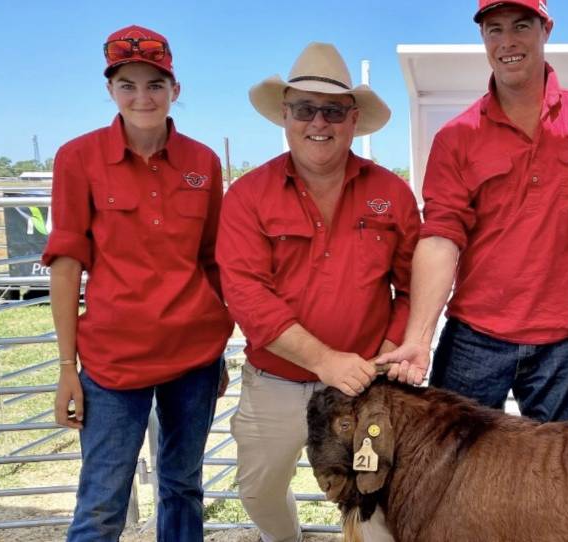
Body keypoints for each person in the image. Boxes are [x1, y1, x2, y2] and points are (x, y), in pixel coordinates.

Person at [378, 0, 568, 423]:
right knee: (451, 468)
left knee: (559, 478)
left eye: (521, 26)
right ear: (482, 37)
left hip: (566, 339)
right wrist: (419, 338)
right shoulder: (456, 136)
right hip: (475, 334)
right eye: (494, 29)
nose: (508, 41)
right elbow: (439, 238)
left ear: (547, 29)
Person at [217, 42, 418, 542]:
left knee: (375, 495)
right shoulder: (247, 196)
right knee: (258, 489)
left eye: (332, 110)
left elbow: (412, 286)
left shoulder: (392, 194)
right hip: (276, 381)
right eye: (305, 109)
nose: (318, 123)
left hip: (365, 384)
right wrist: (325, 359)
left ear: (353, 119)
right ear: (285, 115)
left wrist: (389, 354)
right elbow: (245, 293)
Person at [45, 25, 233, 541]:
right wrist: (67, 368)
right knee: (103, 497)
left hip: (193, 355)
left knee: (183, 484)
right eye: (127, 84)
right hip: (111, 358)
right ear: (110, 90)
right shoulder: (77, 158)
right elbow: (66, 263)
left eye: (154, 83)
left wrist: (218, 347)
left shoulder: (203, 162)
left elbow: (215, 260)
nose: (142, 96)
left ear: (175, 89)